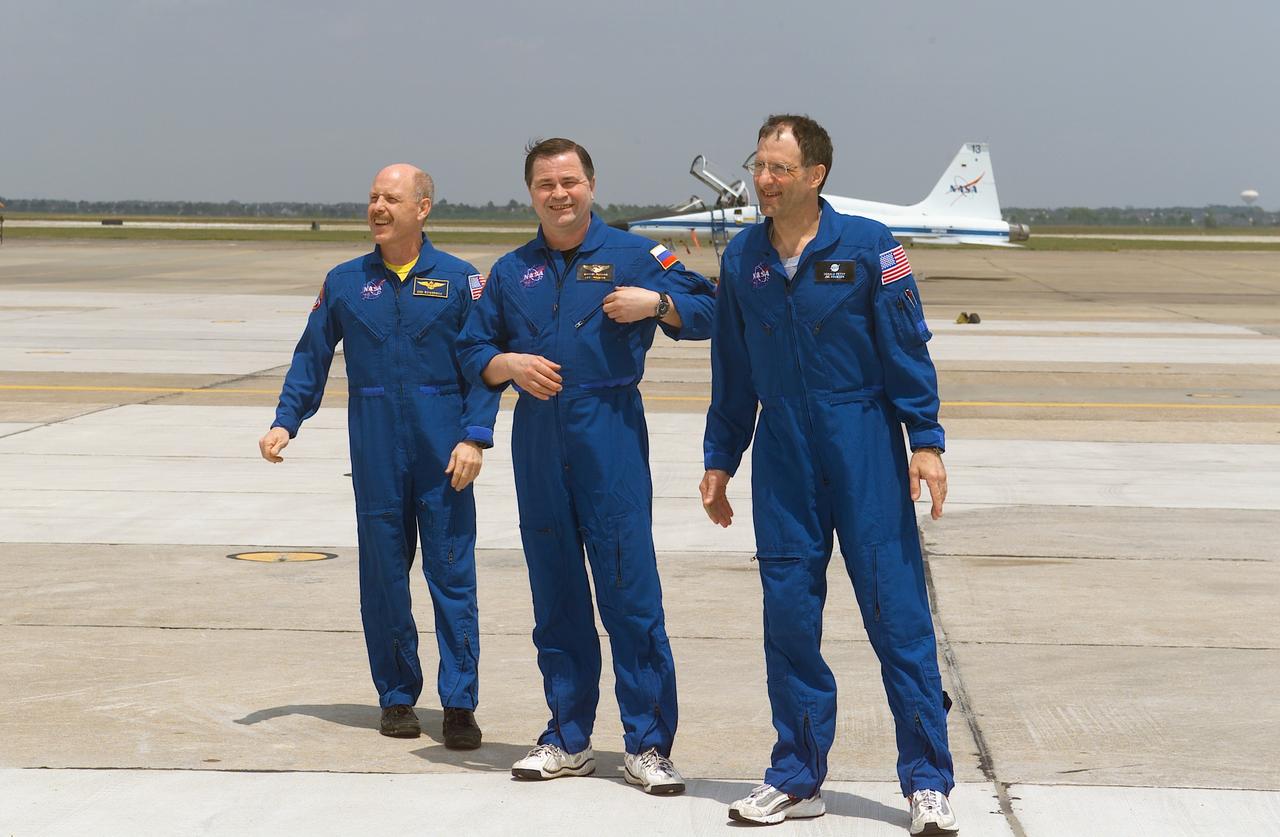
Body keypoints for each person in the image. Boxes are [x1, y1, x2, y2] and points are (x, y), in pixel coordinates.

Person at [699, 115, 958, 835]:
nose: (763, 180)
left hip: (864, 443)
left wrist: (926, 439)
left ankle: (928, 782)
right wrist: (721, 457)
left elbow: (907, 346)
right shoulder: (741, 258)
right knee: (787, 616)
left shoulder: (873, 247)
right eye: (758, 166)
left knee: (896, 615)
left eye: (779, 168)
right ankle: (797, 774)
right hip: (783, 451)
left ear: (815, 175)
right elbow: (732, 369)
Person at [456, 138, 715, 795]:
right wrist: (508, 365)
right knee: (557, 593)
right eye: (546, 183)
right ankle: (568, 737)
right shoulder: (512, 271)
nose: (559, 193)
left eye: (569, 180)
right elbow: (472, 348)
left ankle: (648, 744)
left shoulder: (635, 254)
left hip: (610, 433)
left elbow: (711, 309)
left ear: (591, 185)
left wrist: (655, 304)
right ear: (531, 193)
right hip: (539, 440)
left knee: (629, 591)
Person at [258, 164, 498, 750]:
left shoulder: (462, 281)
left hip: (444, 455)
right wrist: (286, 419)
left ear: (423, 209)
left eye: (391, 198)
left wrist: (476, 436)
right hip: (375, 453)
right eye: (372, 198)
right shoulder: (343, 282)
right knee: (384, 578)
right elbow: (310, 356)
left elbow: (486, 366)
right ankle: (396, 697)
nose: (378, 207)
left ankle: (460, 703)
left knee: (452, 578)